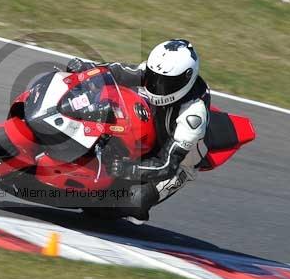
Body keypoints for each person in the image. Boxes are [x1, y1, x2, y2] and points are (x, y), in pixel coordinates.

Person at [66, 39, 210, 222]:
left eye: (166, 83)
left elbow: (167, 163)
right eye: (154, 78)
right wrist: (89, 68)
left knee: (135, 200)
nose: (157, 86)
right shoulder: (155, 73)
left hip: (178, 160)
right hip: (151, 123)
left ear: (185, 79)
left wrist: (129, 168)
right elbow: (119, 72)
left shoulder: (193, 115)